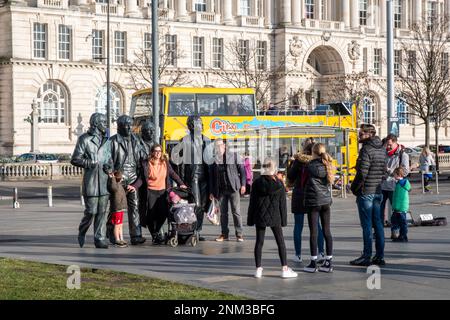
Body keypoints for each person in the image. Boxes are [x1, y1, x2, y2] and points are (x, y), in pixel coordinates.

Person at [247, 158, 298, 279]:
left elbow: (252, 203)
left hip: (260, 215)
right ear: (274, 169)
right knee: (280, 242)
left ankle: (258, 269)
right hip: (275, 216)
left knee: (259, 242)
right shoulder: (279, 184)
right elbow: (282, 205)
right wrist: (284, 221)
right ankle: (284, 268)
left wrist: (250, 219)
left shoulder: (256, 183)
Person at [71, 113, 112, 249]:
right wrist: (90, 162)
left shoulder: (107, 141)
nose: (106, 125)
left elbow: (110, 159)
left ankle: (99, 238)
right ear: (96, 124)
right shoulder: (85, 139)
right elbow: (75, 159)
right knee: (91, 211)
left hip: (104, 181)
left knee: (102, 212)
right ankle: (82, 230)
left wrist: (109, 166)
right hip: (91, 182)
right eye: (103, 122)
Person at [135, 144, 187, 244]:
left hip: (163, 192)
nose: (158, 153)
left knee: (163, 213)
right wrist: (134, 186)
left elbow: (173, 174)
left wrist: (181, 184)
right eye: (156, 151)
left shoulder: (165, 163)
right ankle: (154, 235)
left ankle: (157, 231)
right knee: (150, 215)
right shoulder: (146, 163)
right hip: (150, 192)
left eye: (160, 151)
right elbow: (141, 179)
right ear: (152, 152)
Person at [350, 124, 386, 266]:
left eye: (361, 134)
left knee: (366, 226)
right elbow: (383, 170)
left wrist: (354, 188)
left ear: (369, 134)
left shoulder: (366, 149)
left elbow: (362, 173)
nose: (359, 136)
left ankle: (366, 255)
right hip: (377, 191)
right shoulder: (382, 149)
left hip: (366, 192)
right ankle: (380, 255)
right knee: (378, 224)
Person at [173, 115, 212, 241]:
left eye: (201, 123)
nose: (200, 126)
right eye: (197, 124)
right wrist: (182, 181)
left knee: (203, 204)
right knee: (196, 203)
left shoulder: (207, 140)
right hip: (192, 176)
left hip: (205, 176)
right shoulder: (184, 140)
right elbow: (179, 162)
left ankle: (197, 230)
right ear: (190, 126)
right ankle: (192, 229)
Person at [287, 139, 326, 264]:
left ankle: (298, 255)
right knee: (316, 226)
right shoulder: (320, 161)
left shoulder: (298, 161)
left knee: (298, 226)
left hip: (299, 194)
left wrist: (292, 164)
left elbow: (290, 176)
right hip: (314, 195)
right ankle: (320, 252)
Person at [109, 115, 146, 245]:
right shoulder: (112, 141)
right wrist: (112, 175)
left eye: (131, 125)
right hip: (119, 177)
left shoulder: (137, 140)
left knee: (134, 206)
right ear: (119, 126)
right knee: (115, 208)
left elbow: (143, 159)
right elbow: (109, 161)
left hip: (133, 177)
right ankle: (112, 234)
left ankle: (136, 235)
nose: (130, 127)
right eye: (126, 125)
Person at [303, 143, 334, 273]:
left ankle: (313, 262)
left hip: (313, 201)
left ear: (313, 152)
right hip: (326, 201)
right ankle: (328, 261)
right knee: (327, 231)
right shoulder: (328, 165)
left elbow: (303, 182)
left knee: (314, 232)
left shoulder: (309, 166)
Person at [210, 139, 246, 242]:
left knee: (236, 212)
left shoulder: (234, 156)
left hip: (233, 188)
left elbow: (242, 170)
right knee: (223, 213)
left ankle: (239, 234)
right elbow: (212, 177)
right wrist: (212, 192)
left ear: (224, 146)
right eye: (216, 146)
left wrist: (243, 185)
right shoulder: (214, 160)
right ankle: (224, 234)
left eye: (220, 145)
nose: (218, 148)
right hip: (221, 190)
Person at [380, 134, 409, 239]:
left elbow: (405, 171)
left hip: (395, 187)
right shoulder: (383, 153)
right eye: (386, 144)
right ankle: (378, 232)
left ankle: (395, 231)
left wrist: (391, 171)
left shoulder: (403, 155)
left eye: (389, 145)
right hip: (382, 185)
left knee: (396, 212)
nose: (387, 147)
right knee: (379, 210)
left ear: (395, 142)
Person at [107, 170, 128, 248]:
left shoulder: (120, 185)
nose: (122, 178)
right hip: (116, 208)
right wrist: (112, 178)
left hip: (121, 208)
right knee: (116, 224)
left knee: (120, 224)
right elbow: (113, 188)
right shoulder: (114, 185)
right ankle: (117, 239)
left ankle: (121, 238)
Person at [391, 167, 411, 242]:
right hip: (398, 207)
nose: (394, 176)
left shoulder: (401, 183)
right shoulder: (399, 183)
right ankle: (400, 235)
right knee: (396, 221)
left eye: (394, 175)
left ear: (398, 174)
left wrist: (397, 207)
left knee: (402, 223)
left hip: (400, 207)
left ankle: (403, 236)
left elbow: (400, 197)